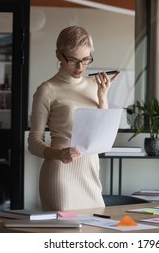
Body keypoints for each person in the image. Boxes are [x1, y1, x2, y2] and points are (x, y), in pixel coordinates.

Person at [28, 26, 120, 211]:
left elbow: (102, 135)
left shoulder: (96, 85)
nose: (80, 67)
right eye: (73, 60)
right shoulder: (47, 90)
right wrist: (59, 153)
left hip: (90, 171)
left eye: (86, 60)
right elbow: (34, 143)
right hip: (60, 174)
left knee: (95, 233)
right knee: (64, 236)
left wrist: (103, 97)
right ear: (58, 55)